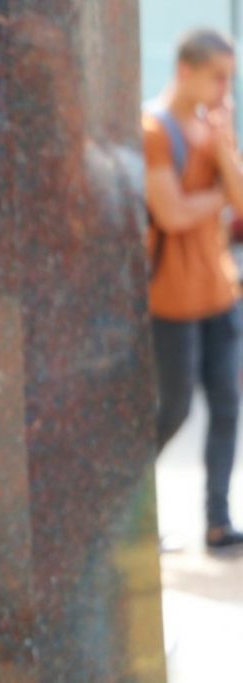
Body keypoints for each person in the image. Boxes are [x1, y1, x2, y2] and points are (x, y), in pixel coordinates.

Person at [144, 28, 243, 551]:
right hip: (173, 302)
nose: (226, 89)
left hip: (222, 296)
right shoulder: (154, 128)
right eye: (218, 77)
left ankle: (218, 521)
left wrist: (226, 150)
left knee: (228, 407)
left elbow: (242, 202)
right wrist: (217, 197)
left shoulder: (214, 129)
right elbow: (172, 213)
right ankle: (127, 510)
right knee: (175, 408)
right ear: (186, 71)